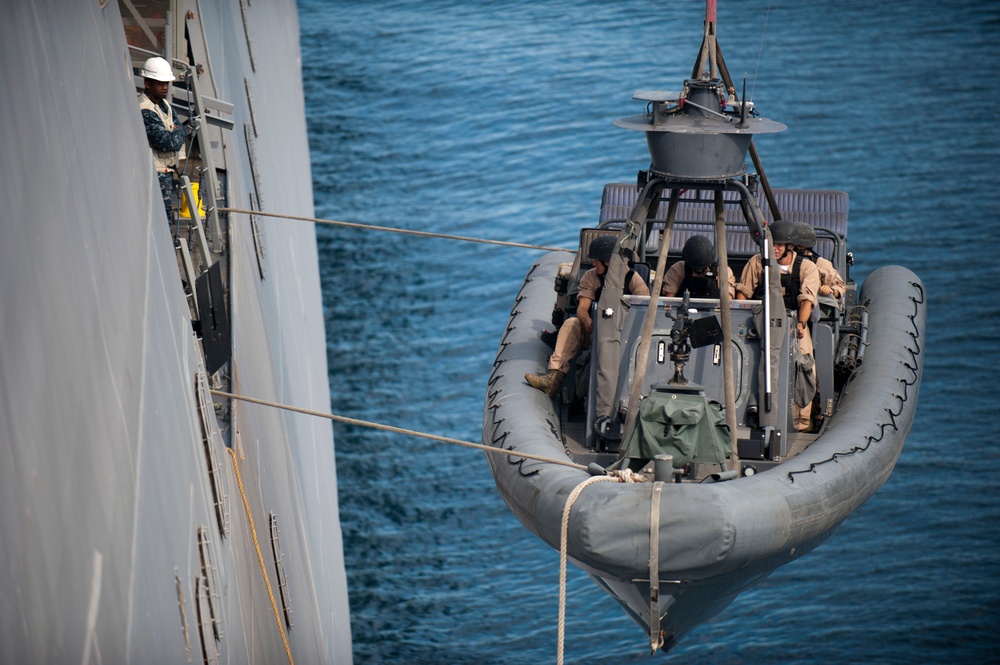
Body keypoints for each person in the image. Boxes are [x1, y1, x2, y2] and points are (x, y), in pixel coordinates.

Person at [526, 235, 649, 396]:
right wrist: (587, 321)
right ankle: (554, 377)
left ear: (609, 262)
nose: (593, 263)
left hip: (624, 337)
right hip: (594, 332)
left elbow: (642, 314)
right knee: (572, 323)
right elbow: (582, 308)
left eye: (597, 260)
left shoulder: (634, 281)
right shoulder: (591, 277)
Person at [736, 219, 820, 431]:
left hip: (794, 323)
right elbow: (743, 293)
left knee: (804, 365)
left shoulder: (807, 267)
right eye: (772, 243)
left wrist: (800, 325)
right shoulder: (757, 262)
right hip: (760, 321)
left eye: (779, 244)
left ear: (790, 247)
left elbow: (807, 300)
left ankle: (799, 422)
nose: (774, 247)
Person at [138, 56, 190, 219]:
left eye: (166, 83)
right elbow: (167, 143)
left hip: (166, 171)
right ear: (147, 84)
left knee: (166, 216)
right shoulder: (145, 110)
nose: (165, 87)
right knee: (160, 218)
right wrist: (179, 132)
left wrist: (177, 131)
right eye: (160, 84)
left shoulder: (164, 105)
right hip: (155, 173)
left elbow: (177, 128)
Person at [791, 221, 846, 314]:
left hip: (810, 311)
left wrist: (831, 291)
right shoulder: (780, 261)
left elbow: (840, 286)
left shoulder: (820, 264)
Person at [660, 234, 737, 299]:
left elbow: (727, 302)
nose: (699, 269)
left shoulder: (723, 271)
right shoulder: (677, 269)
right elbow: (669, 302)